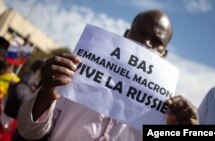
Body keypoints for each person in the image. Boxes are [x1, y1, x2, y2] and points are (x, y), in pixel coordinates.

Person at [17, 10, 198, 141]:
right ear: (126, 35)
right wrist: (46, 94)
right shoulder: (76, 73)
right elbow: (29, 131)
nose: (146, 43)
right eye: (140, 33)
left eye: (156, 41)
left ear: (164, 55)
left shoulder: (165, 115)